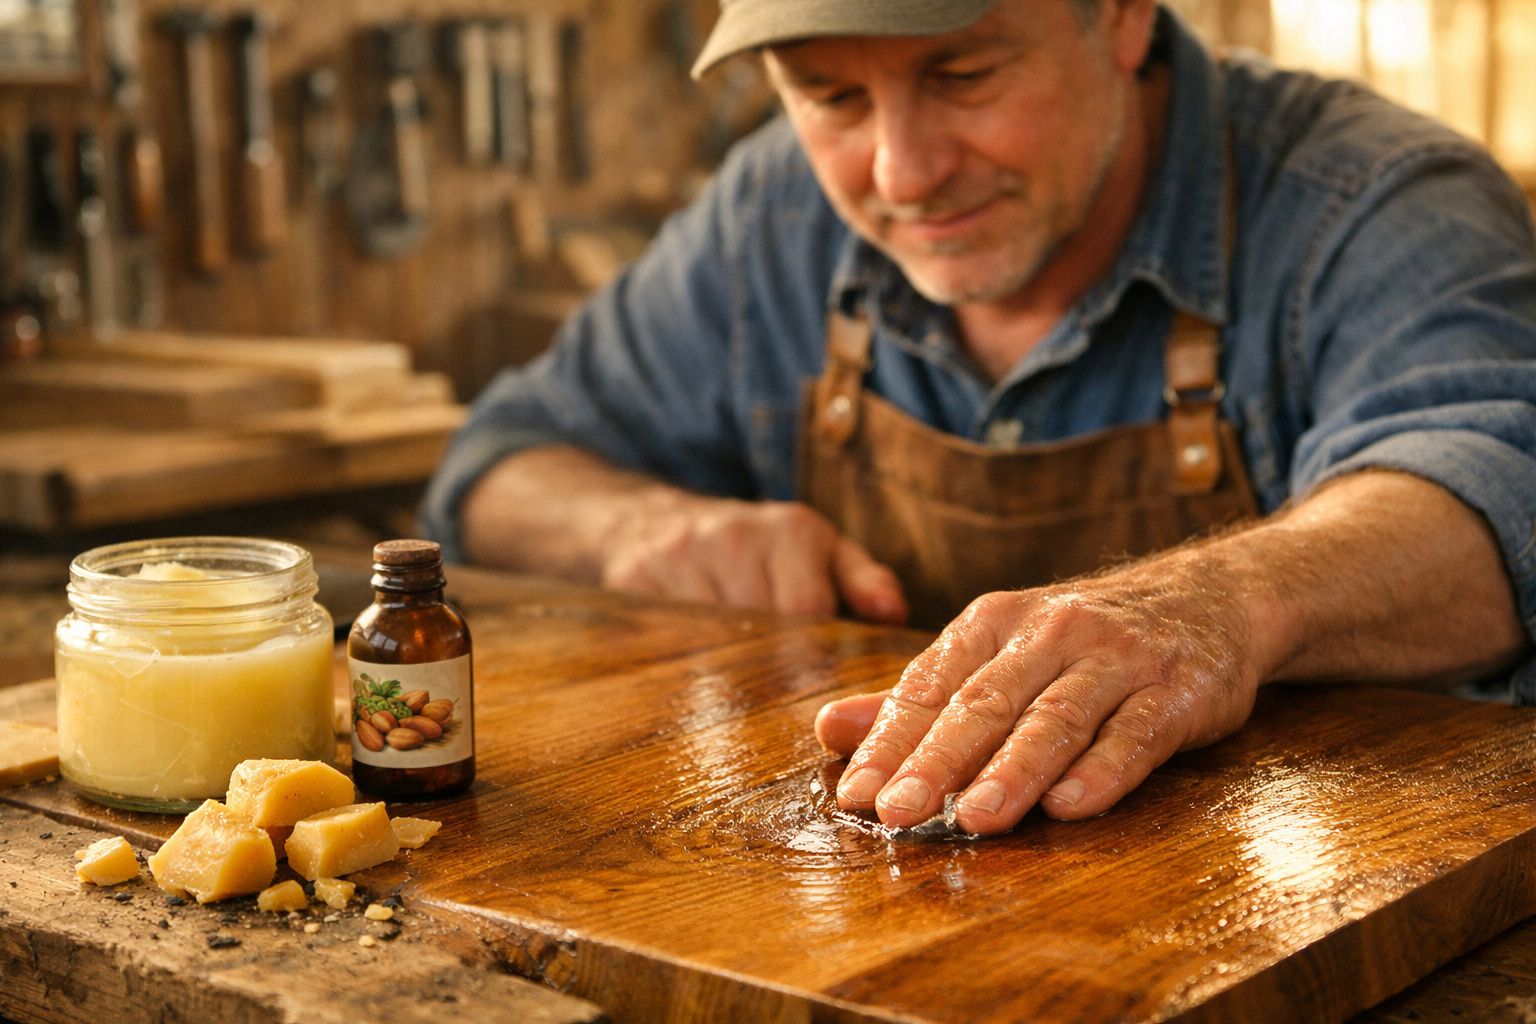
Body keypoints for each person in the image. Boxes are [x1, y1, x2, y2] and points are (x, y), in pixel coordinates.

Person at [423, 0, 1536, 835]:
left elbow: (1499, 488)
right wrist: (638, 525)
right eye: (831, 98)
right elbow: (497, 469)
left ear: (1122, 15)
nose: (903, 173)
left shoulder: (1376, 198)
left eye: (962, 74)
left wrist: (1216, 607)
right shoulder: (770, 214)